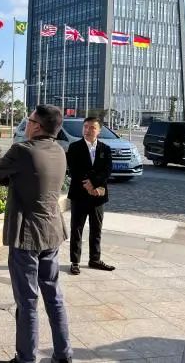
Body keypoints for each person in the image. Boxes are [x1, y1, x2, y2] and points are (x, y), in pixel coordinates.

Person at [0, 105, 73, 363]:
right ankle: (63, 355)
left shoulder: (22, 150)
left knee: (27, 301)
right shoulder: (60, 151)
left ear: (37, 126)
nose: (26, 124)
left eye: (29, 120)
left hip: (26, 235)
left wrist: (13, 178)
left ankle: (25, 358)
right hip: (52, 232)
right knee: (54, 295)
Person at [67, 116, 115, 275]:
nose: (88, 130)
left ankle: (95, 259)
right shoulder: (74, 147)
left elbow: (107, 170)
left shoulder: (105, 149)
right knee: (77, 229)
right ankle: (75, 261)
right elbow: (74, 170)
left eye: (92, 127)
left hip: (98, 195)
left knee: (96, 228)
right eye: (85, 127)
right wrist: (88, 185)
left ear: (99, 130)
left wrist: (95, 185)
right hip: (79, 194)